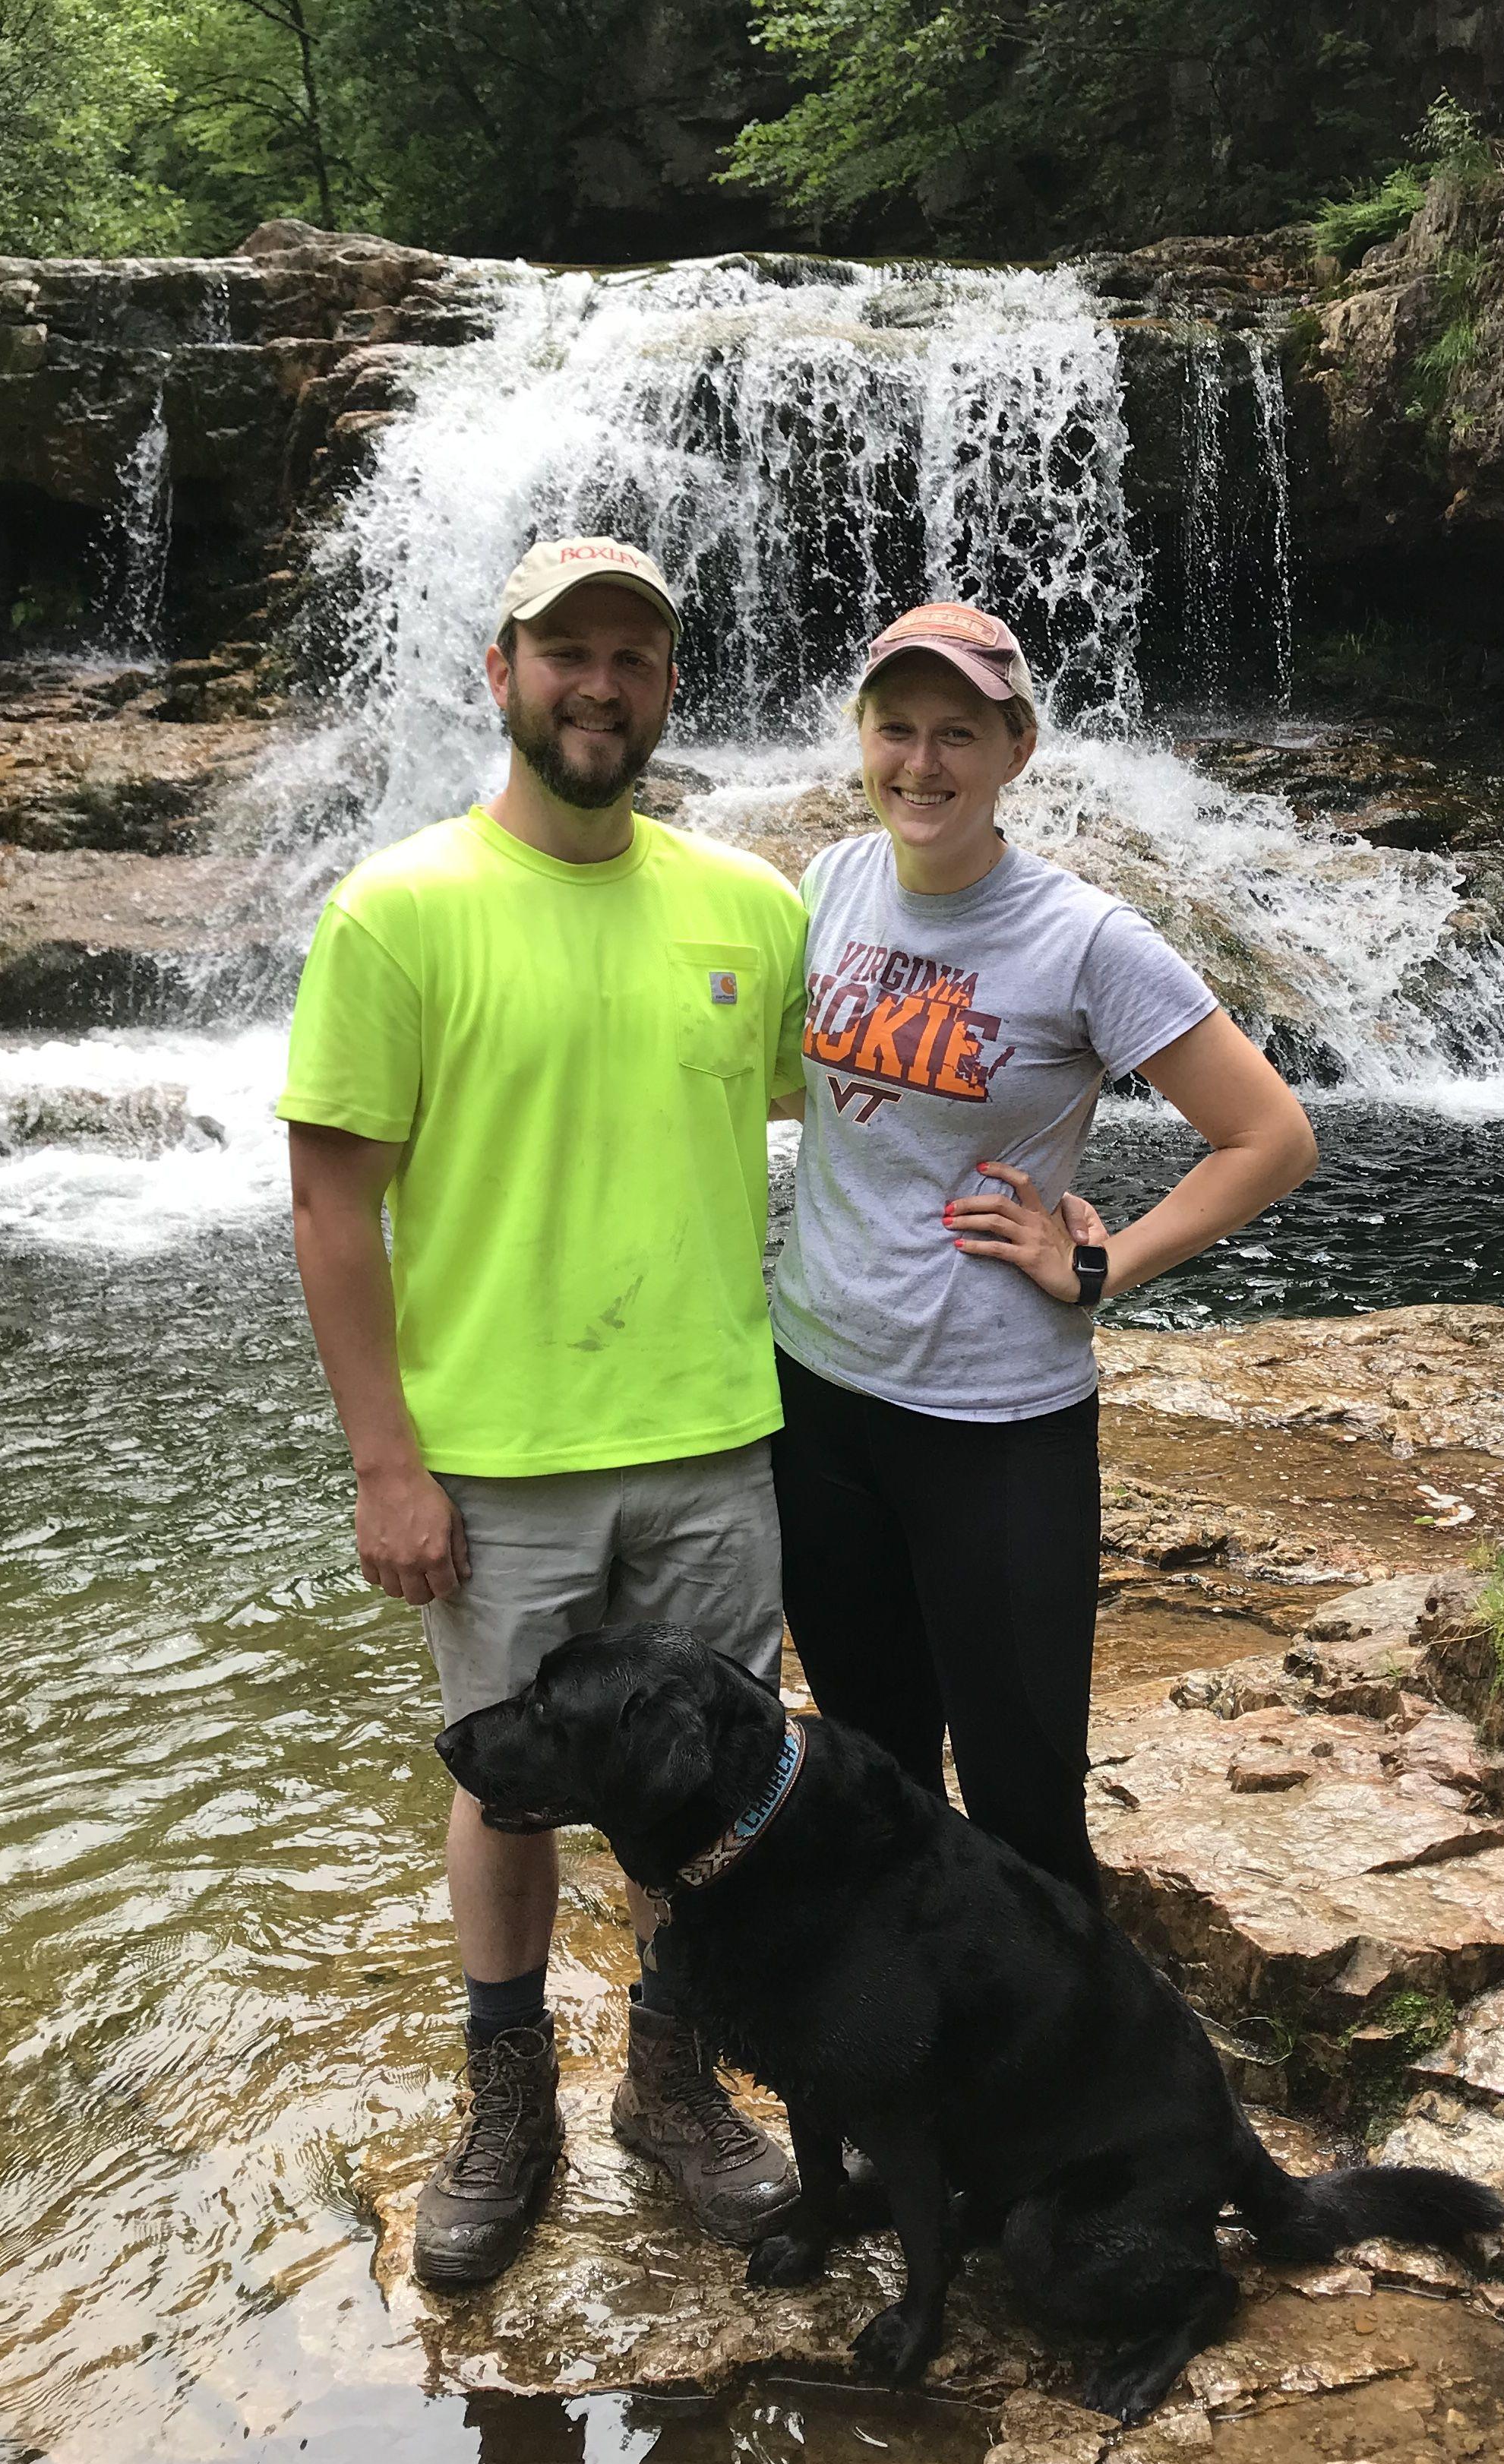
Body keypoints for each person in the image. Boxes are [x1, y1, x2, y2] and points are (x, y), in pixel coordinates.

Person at [277, 533, 808, 2289]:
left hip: (715, 1440)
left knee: (716, 1797)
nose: (600, 684)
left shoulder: (754, 906)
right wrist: (388, 1464)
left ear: (669, 688)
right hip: (495, 1466)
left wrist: (1058, 1208)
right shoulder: (398, 909)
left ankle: (675, 2085)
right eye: (565, 651)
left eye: (634, 657)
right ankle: (510, 2108)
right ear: (497, 676)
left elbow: (901, 1118)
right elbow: (333, 1204)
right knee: (507, 1793)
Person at [769, 601, 1319, 1899]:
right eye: (895, 730)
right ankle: (910, 2070)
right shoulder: (831, 884)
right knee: (875, 1779)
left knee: (1025, 1806)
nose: (922, 763)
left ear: (1016, 748)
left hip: (994, 1419)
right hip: (816, 1394)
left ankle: (1070, 2085)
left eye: (958, 732)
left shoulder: (1084, 936)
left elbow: (1271, 1137)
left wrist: (1102, 1262)